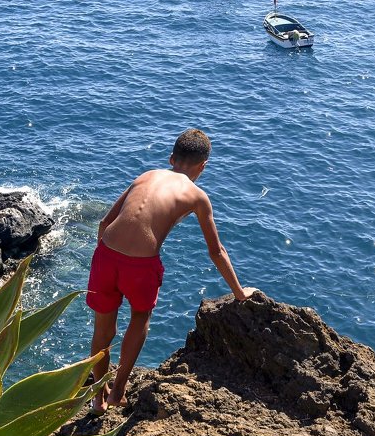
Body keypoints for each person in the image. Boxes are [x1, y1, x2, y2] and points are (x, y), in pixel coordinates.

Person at [86, 128, 253, 414]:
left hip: (105, 255)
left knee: (103, 329)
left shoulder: (146, 175)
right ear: (203, 166)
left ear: (171, 158)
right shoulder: (198, 196)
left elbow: (104, 223)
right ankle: (118, 392)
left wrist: (105, 259)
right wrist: (239, 292)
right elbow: (216, 251)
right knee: (140, 317)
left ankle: (97, 399)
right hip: (140, 266)